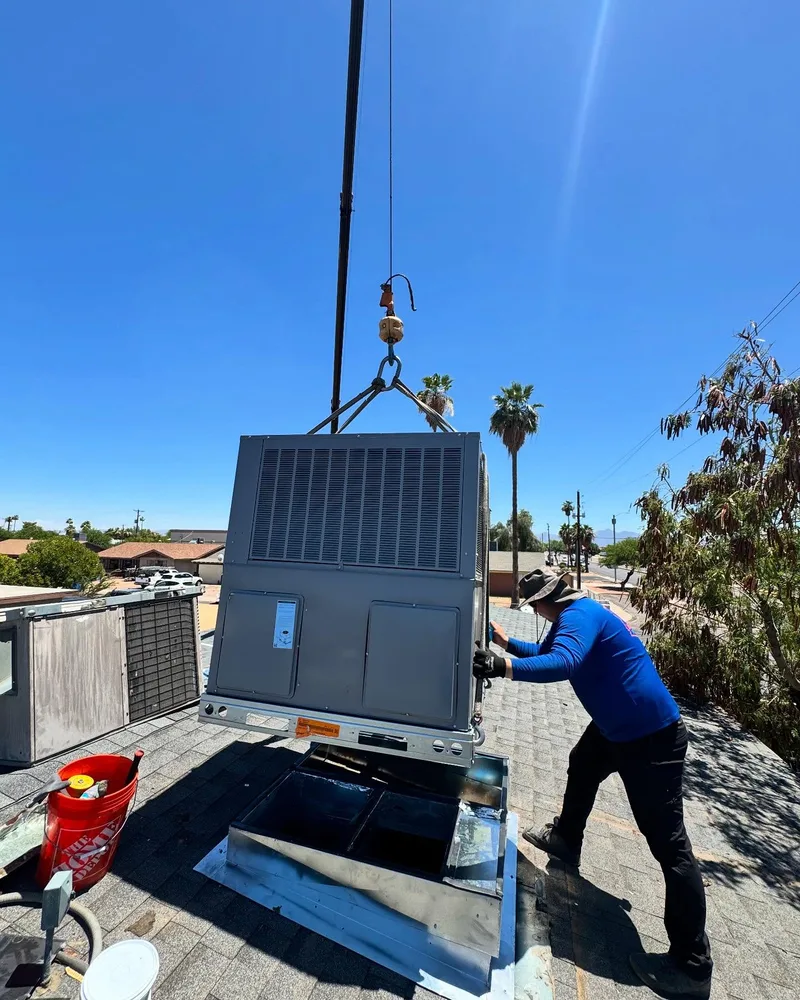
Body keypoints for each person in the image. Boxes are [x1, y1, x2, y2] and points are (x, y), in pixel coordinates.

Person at [473, 567, 712, 998]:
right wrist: (506, 646)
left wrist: (502, 667)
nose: (538, 615)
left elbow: (562, 663)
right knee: (582, 764)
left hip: (650, 737)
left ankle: (692, 967)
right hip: (616, 726)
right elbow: (545, 652)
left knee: (670, 847)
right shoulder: (573, 616)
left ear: (545, 603)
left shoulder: (579, 617)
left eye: (535, 608)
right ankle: (567, 838)